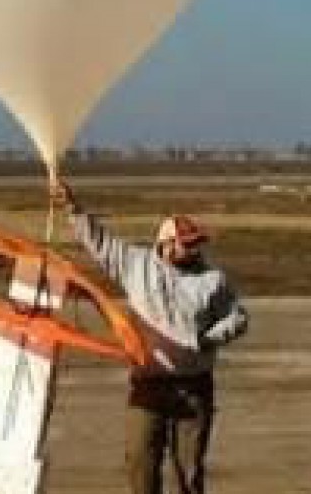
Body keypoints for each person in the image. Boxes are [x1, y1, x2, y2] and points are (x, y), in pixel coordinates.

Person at [50, 177, 249, 494]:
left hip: (194, 386)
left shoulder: (213, 280)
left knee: (189, 473)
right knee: (140, 463)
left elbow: (238, 317)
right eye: (187, 243)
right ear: (167, 243)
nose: (195, 248)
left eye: (197, 242)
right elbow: (99, 241)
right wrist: (73, 208)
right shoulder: (135, 265)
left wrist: (209, 338)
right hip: (148, 385)